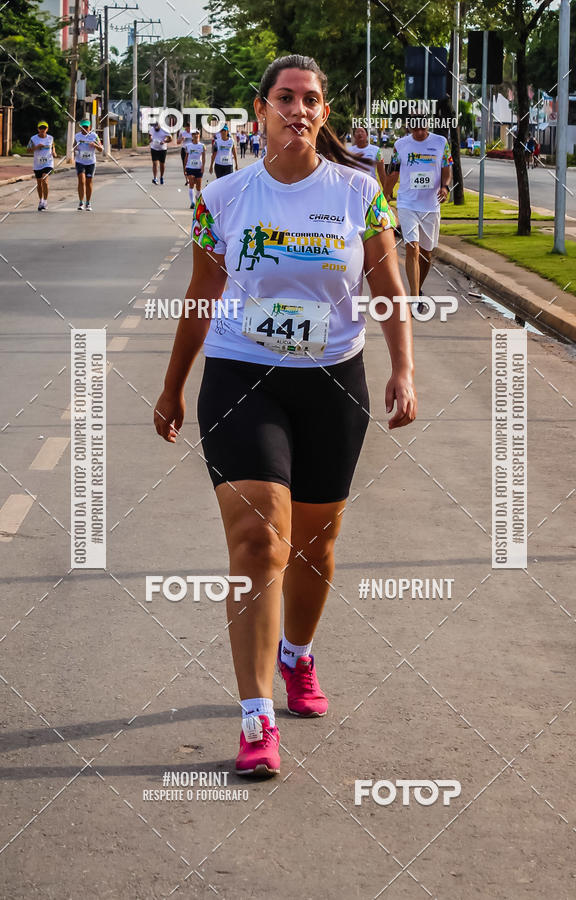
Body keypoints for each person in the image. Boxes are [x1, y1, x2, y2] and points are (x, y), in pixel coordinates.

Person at [154, 54, 416, 778]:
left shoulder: (361, 193)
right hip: (242, 378)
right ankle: (256, 715)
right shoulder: (226, 197)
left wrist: (404, 369)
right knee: (257, 538)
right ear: (260, 110)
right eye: (285, 98)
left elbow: (388, 284)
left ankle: (297, 655)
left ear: (323, 114)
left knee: (314, 544)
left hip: (333, 382)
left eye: (312, 100)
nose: (298, 109)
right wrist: (174, 386)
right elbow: (202, 294)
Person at [389, 120, 452, 310]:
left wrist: (445, 186)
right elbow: (393, 171)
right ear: (409, 127)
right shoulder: (400, 145)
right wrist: (386, 192)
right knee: (412, 248)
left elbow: (446, 169)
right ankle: (414, 299)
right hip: (407, 203)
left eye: (422, 128)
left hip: (430, 205)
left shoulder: (441, 142)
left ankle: (418, 289)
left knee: (426, 253)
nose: (419, 132)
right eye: (415, 129)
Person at [73, 118, 103, 211]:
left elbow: (101, 149)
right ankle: (81, 202)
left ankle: (88, 202)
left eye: (87, 127)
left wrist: (95, 145)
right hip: (80, 161)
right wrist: (76, 149)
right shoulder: (77, 136)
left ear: (90, 127)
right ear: (80, 127)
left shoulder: (94, 136)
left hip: (90, 162)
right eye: (83, 127)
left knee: (88, 181)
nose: (85, 128)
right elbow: (73, 147)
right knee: (81, 181)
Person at [27, 121, 56, 211]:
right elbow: (28, 150)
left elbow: (53, 147)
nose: (42, 130)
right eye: (41, 128)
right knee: (39, 183)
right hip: (38, 164)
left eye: (44, 128)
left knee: (45, 180)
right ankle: (41, 200)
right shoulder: (33, 138)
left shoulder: (50, 138)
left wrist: (54, 152)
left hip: (48, 163)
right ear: (38, 129)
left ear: (47, 129)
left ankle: (45, 201)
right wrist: (36, 147)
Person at [184, 131, 205, 208]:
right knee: (191, 183)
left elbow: (203, 157)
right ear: (192, 136)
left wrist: (203, 166)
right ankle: (192, 202)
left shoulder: (202, 146)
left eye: (197, 134)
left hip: (198, 168)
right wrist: (185, 167)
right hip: (190, 167)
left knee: (199, 187)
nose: (195, 135)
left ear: (199, 135)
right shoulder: (188, 146)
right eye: (194, 134)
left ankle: (197, 201)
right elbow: (186, 157)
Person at [149, 120, 172, 184]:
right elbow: (150, 135)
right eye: (154, 127)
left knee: (162, 164)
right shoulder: (152, 129)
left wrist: (164, 141)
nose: (155, 128)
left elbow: (170, 138)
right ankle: (155, 178)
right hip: (154, 148)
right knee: (154, 163)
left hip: (162, 149)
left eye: (156, 127)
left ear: (159, 125)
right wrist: (150, 138)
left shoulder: (164, 130)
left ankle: (161, 176)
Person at [177, 119, 194, 185]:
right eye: (188, 127)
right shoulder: (182, 133)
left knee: (191, 164)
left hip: (192, 151)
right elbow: (178, 142)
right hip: (184, 150)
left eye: (190, 127)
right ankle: (187, 180)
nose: (189, 128)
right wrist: (181, 139)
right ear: (185, 127)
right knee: (185, 165)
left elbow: (197, 141)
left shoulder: (193, 133)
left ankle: (191, 178)